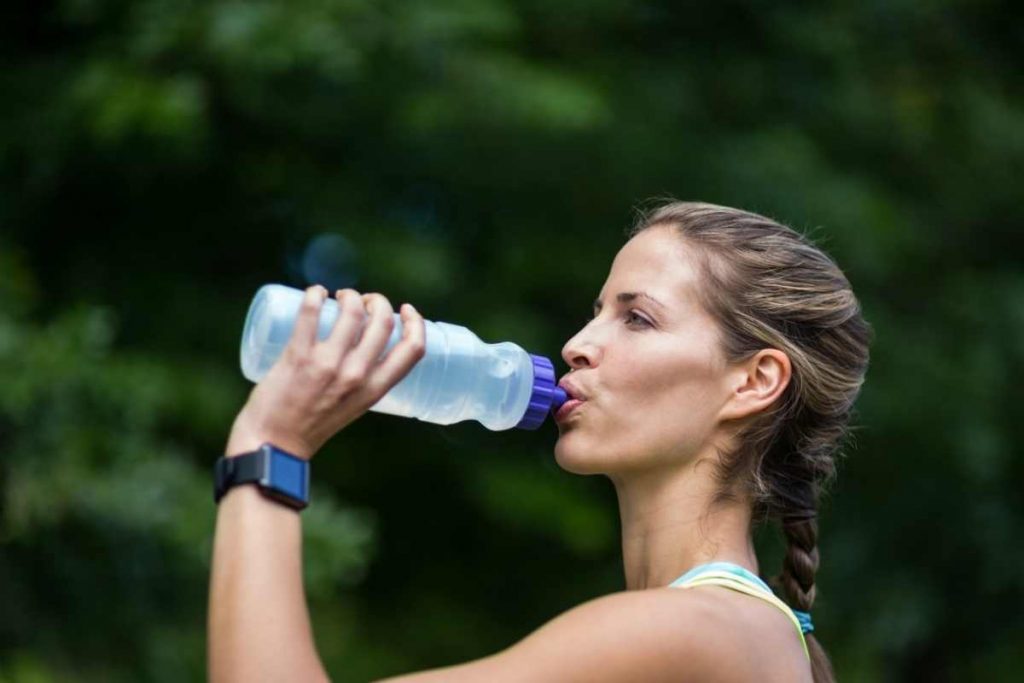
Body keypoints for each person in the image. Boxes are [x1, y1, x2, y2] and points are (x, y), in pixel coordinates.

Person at [208, 200, 872, 682]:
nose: (577, 346)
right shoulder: (736, 632)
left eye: (637, 318)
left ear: (754, 381)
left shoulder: (695, 632)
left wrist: (271, 444)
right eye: (595, 313)